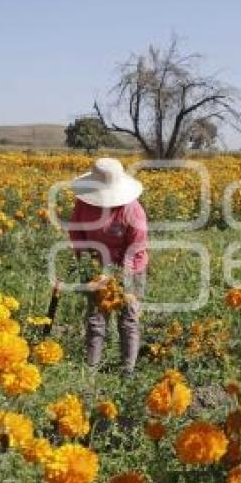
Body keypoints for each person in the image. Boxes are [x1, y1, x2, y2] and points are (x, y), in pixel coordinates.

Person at [67, 158, 148, 375]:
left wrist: (121, 278)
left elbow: (136, 247)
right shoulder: (84, 204)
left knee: (128, 317)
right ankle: (91, 369)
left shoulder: (132, 211)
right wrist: (88, 263)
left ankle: (127, 370)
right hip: (96, 266)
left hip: (129, 268)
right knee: (95, 318)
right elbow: (76, 232)